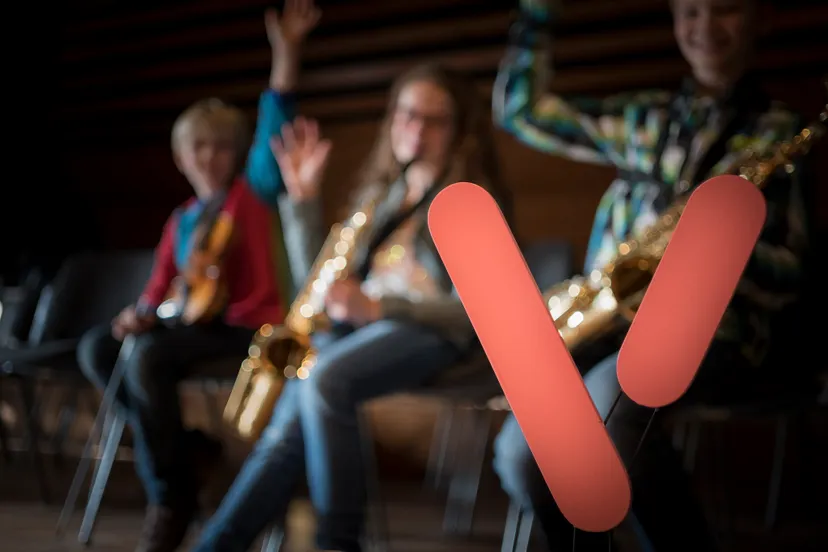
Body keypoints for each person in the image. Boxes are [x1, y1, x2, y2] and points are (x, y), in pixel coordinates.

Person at [491, 0, 816, 550]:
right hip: (609, 323)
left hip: (717, 330)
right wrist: (538, 16)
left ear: (759, 19)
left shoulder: (781, 131)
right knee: (518, 452)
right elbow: (519, 112)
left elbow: (792, 275)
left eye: (726, 10)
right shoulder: (642, 118)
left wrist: (711, 251)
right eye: (690, 12)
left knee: (608, 405)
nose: (706, 27)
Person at [189, 3, 511, 552]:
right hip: (360, 333)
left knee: (325, 379)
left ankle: (336, 542)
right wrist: (303, 200)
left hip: (433, 335)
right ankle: (217, 545)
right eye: (407, 114)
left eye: (433, 119)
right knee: (284, 430)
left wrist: (383, 310)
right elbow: (319, 278)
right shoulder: (383, 197)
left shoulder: (467, 203)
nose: (416, 128)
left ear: (459, 130)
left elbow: (482, 311)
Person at [74, 5, 309, 551]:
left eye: (221, 145)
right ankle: (186, 453)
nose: (209, 155)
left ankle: (170, 497)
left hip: (244, 328)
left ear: (236, 153)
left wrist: (286, 54)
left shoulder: (249, 197)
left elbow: (275, 122)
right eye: (197, 146)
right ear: (181, 158)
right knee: (97, 348)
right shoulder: (180, 220)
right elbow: (157, 292)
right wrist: (137, 313)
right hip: (191, 328)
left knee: (150, 358)